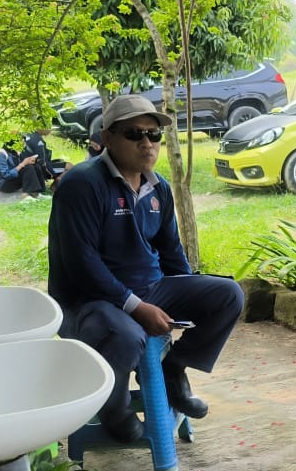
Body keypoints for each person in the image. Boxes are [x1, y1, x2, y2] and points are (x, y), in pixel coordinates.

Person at [47, 94, 245, 443]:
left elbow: (170, 251)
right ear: (108, 138)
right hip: (88, 301)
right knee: (126, 335)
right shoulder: (82, 184)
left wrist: (189, 291)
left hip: (149, 288)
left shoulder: (158, 187)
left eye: (154, 134)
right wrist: (136, 307)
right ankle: (114, 408)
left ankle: (174, 369)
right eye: (134, 134)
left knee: (228, 295)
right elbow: (82, 263)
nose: (147, 143)